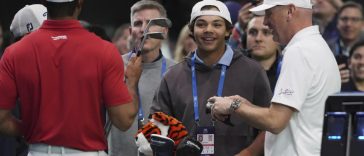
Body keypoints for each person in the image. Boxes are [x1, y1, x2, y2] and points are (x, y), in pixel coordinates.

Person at [0, 0, 142, 156]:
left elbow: (2, 119)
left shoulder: (14, 53)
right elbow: (123, 120)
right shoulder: (105, 50)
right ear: (79, 4)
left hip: (38, 151)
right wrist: (132, 81)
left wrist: (30, 129)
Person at [210, 0, 341, 155]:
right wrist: (242, 104)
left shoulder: (300, 51)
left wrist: (233, 106)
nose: (266, 22)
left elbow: (275, 121)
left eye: (269, 14)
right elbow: (288, 116)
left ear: (290, 11)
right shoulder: (316, 46)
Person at [151, 0, 272, 155]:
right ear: (191, 30)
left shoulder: (253, 71)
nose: (208, 30)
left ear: (228, 31)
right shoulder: (172, 76)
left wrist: (248, 153)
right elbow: (158, 125)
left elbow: (269, 125)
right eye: (201, 24)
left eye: (217, 24)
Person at [108, 1, 175, 156]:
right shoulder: (113, 66)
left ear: (164, 31)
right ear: (131, 31)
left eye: (151, 23)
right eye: (138, 23)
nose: (144, 29)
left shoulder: (177, 71)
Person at [245, 15, 281, 90]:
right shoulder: (232, 69)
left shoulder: (288, 70)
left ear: (279, 37)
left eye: (266, 32)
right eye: (253, 32)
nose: (258, 38)